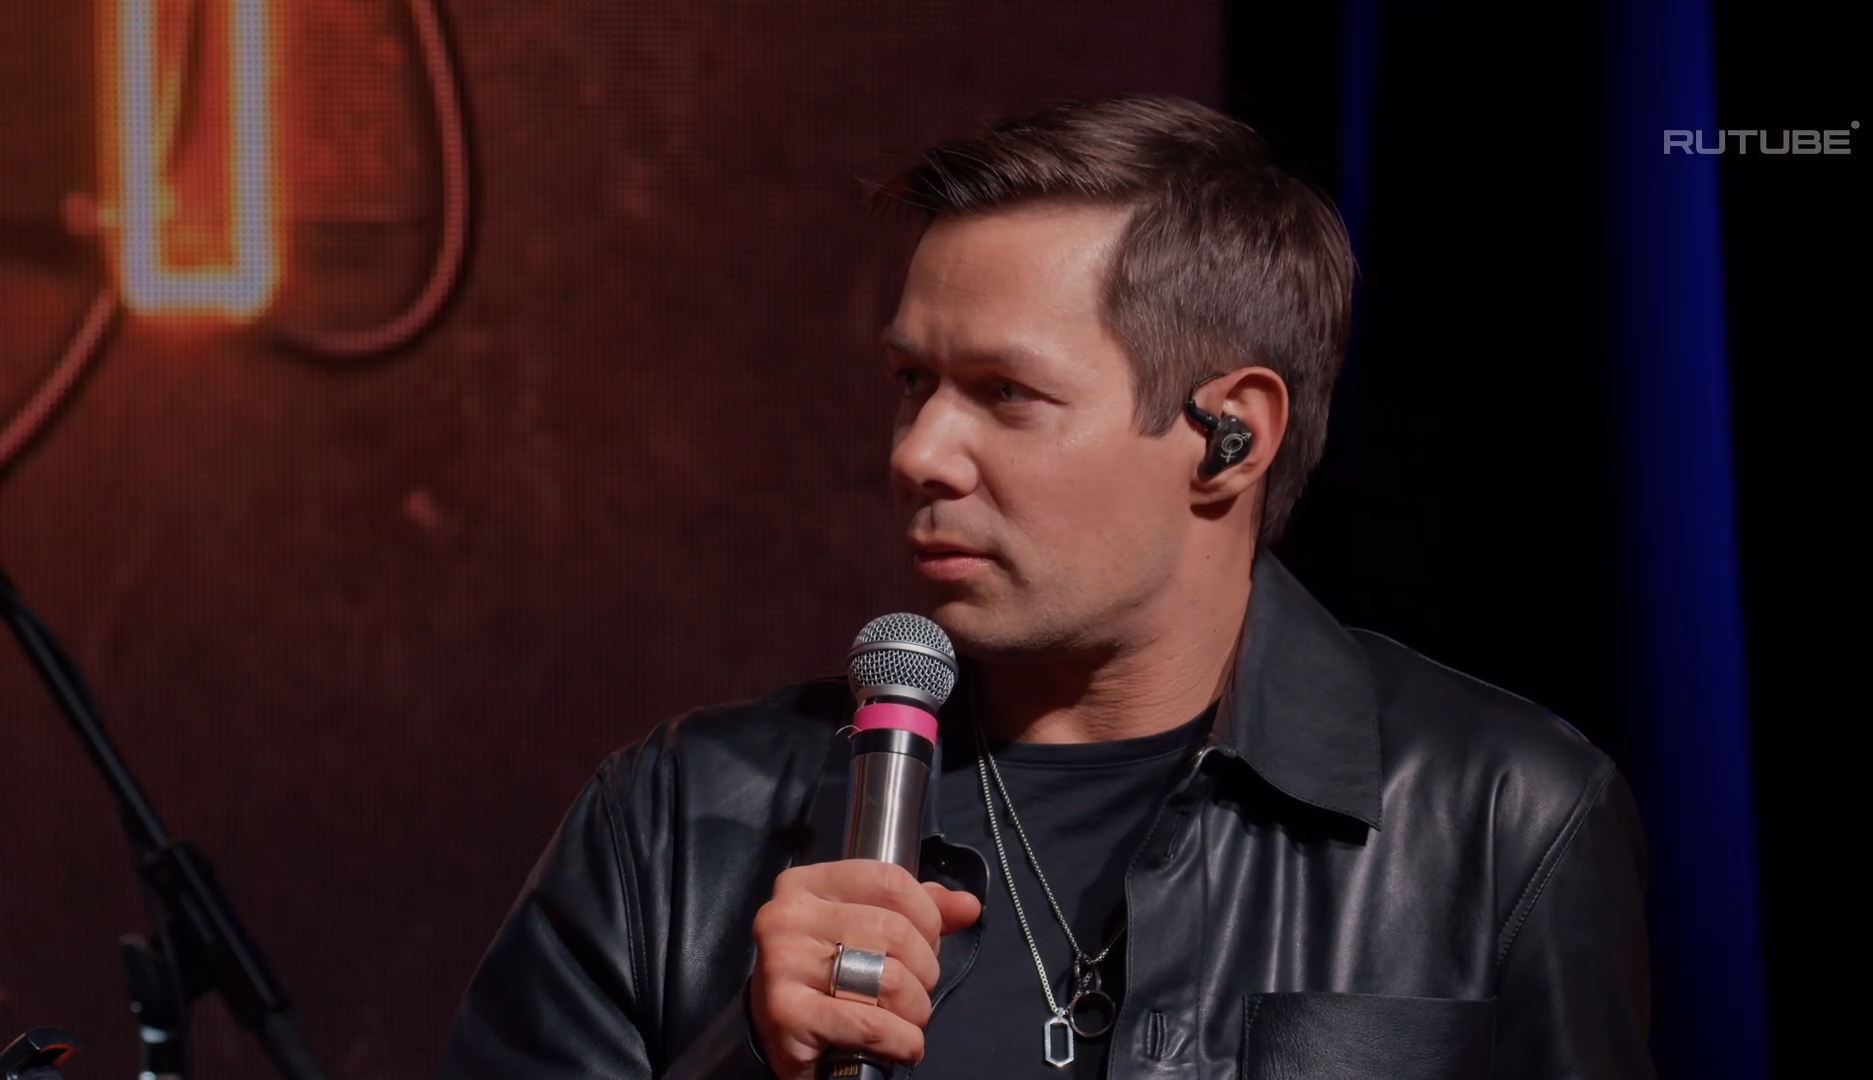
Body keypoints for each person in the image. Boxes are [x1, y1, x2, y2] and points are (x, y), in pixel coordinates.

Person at [437, 94, 1653, 1080]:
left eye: (1006, 394)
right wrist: (751, 1062)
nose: (920, 453)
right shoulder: (677, 820)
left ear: (1230, 436)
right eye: (913, 383)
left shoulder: (1499, 816)